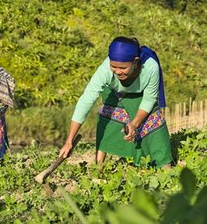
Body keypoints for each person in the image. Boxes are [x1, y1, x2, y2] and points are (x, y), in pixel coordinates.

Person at [59, 36, 172, 168]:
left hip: (140, 96)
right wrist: (69, 140)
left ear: (135, 62)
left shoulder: (151, 67)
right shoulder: (105, 70)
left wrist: (134, 124)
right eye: (114, 66)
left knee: (153, 120)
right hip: (114, 92)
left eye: (123, 68)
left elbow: (149, 99)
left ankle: (165, 167)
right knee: (108, 118)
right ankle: (99, 168)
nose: (118, 71)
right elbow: (86, 100)